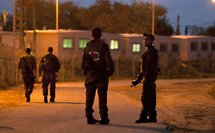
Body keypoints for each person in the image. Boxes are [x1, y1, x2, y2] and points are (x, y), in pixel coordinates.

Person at [81, 27, 114, 124]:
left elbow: (83, 60)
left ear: (92, 35)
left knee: (89, 98)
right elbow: (108, 61)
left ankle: (89, 117)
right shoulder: (103, 46)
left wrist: (86, 73)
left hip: (90, 75)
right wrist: (109, 73)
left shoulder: (88, 45)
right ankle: (104, 117)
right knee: (102, 97)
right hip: (101, 75)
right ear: (101, 34)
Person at [131, 33, 159, 123]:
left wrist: (141, 78)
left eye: (147, 40)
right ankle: (152, 117)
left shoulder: (151, 52)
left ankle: (143, 117)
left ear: (151, 41)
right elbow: (144, 68)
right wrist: (138, 79)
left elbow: (148, 68)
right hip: (150, 78)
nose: (145, 41)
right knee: (151, 98)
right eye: (144, 39)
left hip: (149, 78)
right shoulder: (149, 51)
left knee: (146, 98)